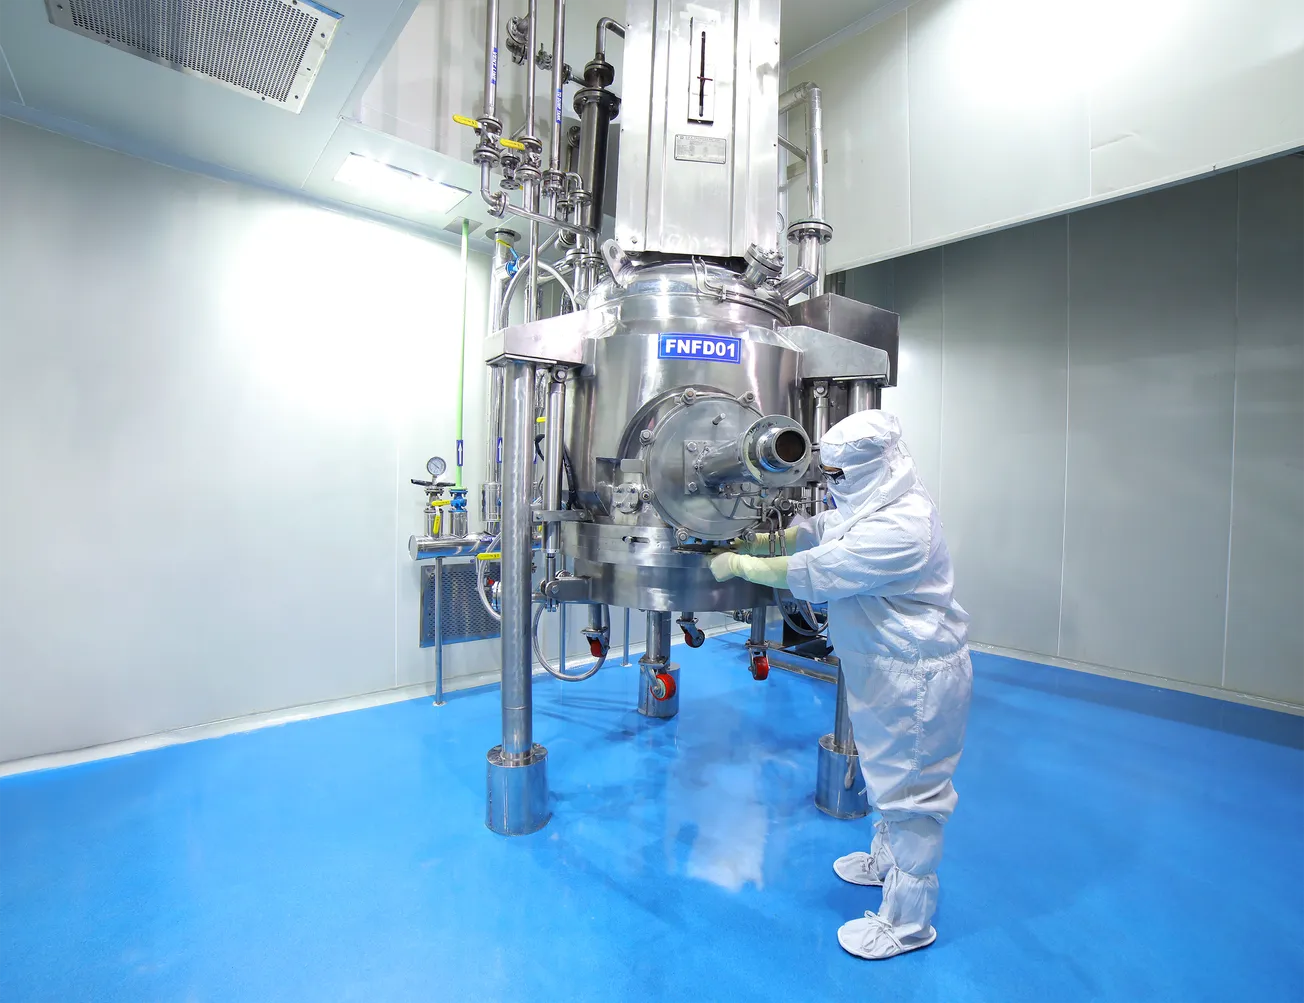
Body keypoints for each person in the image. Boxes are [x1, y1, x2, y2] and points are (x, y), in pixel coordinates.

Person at [710, 409, 972, 961]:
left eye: (837, 476)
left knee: (912, 796)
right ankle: (885, 863)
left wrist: (741, 564)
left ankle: (908, 922)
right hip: (883, 668)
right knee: (886, 777)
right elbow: (821, 531)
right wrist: (764, 541)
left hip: (916, 677)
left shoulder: (902, 527)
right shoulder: (877, 498)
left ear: (870, 467)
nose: (830, 485)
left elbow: (817, 569)